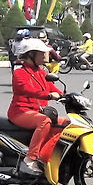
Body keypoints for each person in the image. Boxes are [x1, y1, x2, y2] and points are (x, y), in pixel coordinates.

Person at [8, 38, 63, 176]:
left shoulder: (41, 72)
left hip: (37, 111)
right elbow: (27, 90)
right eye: (40, 53)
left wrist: (66, 96)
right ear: (30, 54)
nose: (44, 56)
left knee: (66, 124)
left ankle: (47, 157)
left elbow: (51, 87)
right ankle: (30, 159)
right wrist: (49, 96)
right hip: (21, 112)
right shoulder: (19, 73)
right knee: (45, 122)